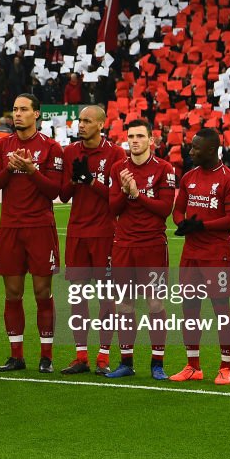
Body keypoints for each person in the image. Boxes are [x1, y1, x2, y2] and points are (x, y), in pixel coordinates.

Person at [0, 93, 64, 373]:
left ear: (37, 114)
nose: (17, 114)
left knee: (42, 292)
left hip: (40, 227)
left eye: (23, 109)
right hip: (10, 227)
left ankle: (46, 356)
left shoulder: (51, 147)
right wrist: (9, 169)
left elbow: (54, 191)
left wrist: (32, 170)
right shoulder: (2, 147)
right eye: (14, 109)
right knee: (12, 293)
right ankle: (16, 355)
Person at [170, 128, 230, 385]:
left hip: (216, 254)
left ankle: (226, 367)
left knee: (221, 311)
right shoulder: (188, 177)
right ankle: (193, 365)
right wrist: (184, 223)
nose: (191, 152)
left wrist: (202, 226)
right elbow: (177, 211)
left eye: (196, 148)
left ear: (211, 150)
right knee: (189, 309)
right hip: (191, 254)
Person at [107, 118, 177, 380]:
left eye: (139, 136)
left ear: (151, 140)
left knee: (155, 303)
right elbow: (113, 209)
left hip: (152, 246)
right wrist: (125, 192)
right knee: (124, 305)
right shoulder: (118, 168)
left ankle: (157, 363)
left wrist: (137, 194)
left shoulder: (164, 169)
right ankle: (126, 361)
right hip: (124, 245)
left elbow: (164, 210)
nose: (134, 141)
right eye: (131, 136)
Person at [58, 105, 125, 375]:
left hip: (105, 234)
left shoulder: (116, 153)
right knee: (78, 296)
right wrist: (76, 180)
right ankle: (81, 355)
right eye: (80, 121)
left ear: (101, 124)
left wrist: (91, 181)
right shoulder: (70, 151)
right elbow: (63, 195)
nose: (81, 125)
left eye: (87, 121)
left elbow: (117, 199)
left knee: (107, 298)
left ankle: (103, 356)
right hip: (77, 234)